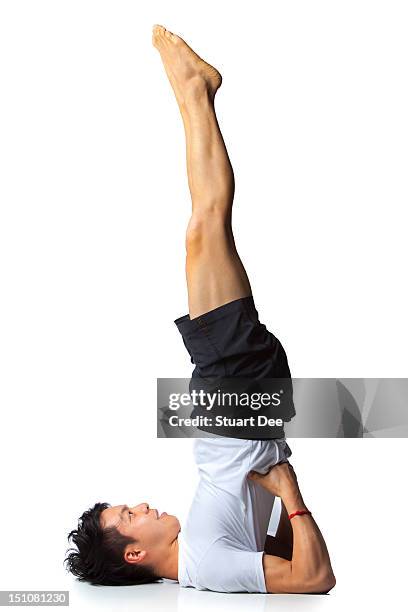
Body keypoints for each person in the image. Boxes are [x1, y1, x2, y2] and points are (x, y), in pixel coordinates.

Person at [65, 24, 336, 594]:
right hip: (233, 402)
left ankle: (195, 95)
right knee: (204, 224)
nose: (139, 504)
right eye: (128, 516)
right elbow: (314, 581)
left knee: (205, 226)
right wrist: (292, 498)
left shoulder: (202, 554)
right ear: (136, 552)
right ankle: (194, 93)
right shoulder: (206, 566)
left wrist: (277, 484)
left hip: (236, 404)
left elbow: (281, 553)